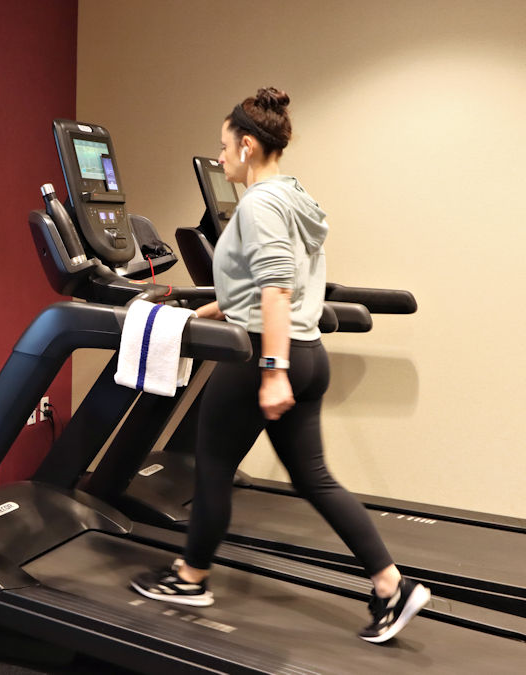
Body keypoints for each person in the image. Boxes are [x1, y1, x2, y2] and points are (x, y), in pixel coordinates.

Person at [130, 87, 431, 643]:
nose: (219, 159)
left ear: (248, 145)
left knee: (212, 465)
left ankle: (191, 577)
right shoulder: (295, 197)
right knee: (315, 478)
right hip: (310, 353)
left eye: (224, 147)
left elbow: (275, 287)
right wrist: (217, 303)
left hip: (266, 355)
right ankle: (392, 585)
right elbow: (267, 282)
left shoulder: (261, 203)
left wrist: (271, 371)